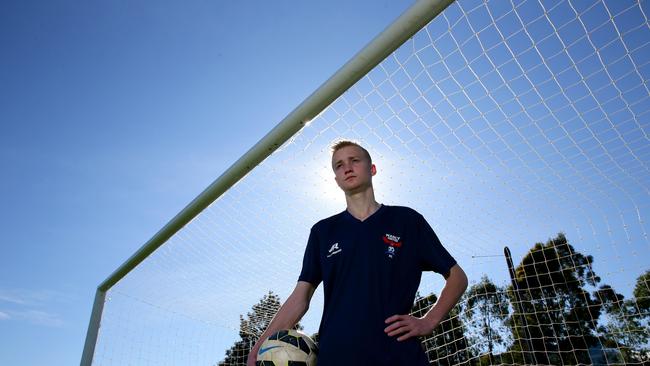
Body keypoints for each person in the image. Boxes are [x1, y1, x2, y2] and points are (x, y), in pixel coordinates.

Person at [247, 140, 468, 366]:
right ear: (336, 179)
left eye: (354, 160)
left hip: (398, 356)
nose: (347, 168)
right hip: (336, 357)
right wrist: (259, 347)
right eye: (339, 165)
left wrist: (428, 321)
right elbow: (300, 298)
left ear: (372, 169)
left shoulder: (407, 221)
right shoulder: (322, 232)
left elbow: (457, 278)